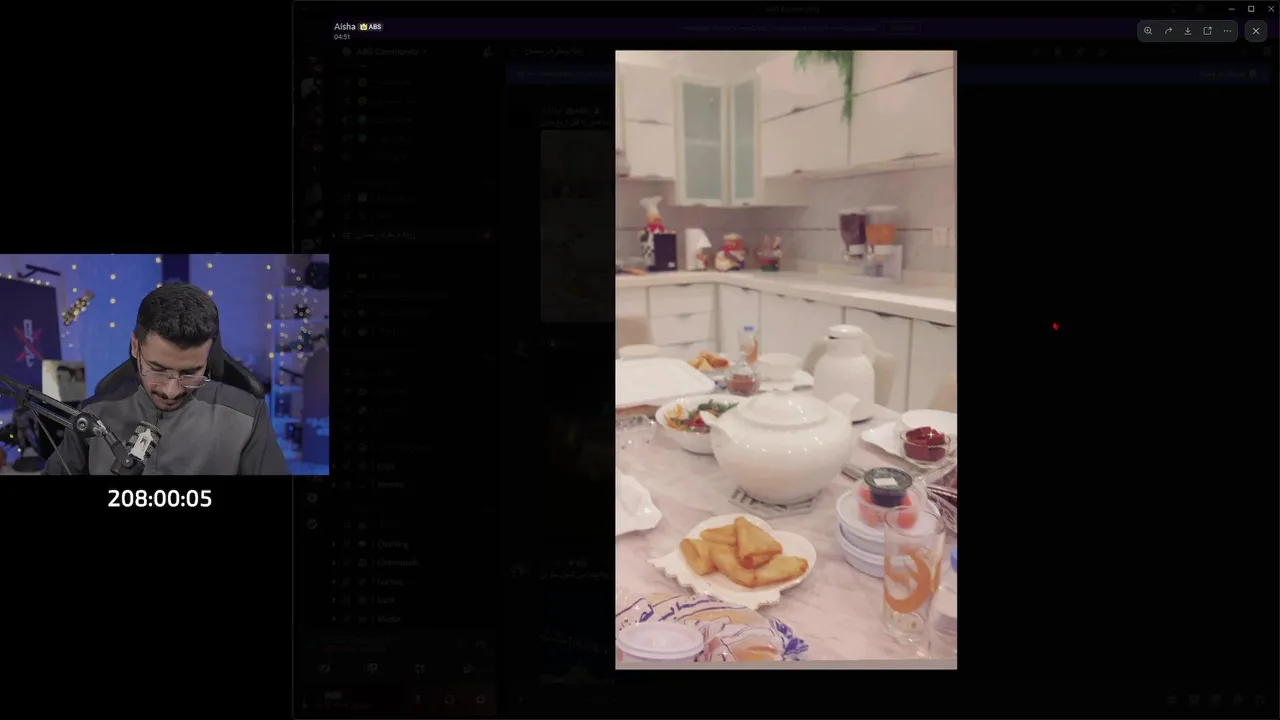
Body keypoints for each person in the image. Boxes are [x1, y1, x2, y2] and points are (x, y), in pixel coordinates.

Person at [44, 283, 289, 475]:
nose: (171, 391)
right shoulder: (92, 415)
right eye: (157, 369)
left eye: (190, 372)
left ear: (209, 356)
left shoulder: (248, 416)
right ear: (135, 347)